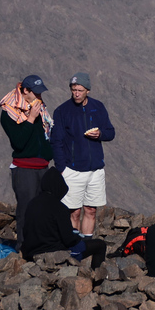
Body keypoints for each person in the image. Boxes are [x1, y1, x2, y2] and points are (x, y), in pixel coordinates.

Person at [51, 72, 115, 238]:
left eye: (79, 90)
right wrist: (62, 169)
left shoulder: (98, 107)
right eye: (73, 90)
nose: (76, 93)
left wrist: (100, 134)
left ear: (88, 90)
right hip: (73, 170)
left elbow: (110, 132)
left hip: (95, 170)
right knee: (74, 212)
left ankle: (86, 245)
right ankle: (74, 246)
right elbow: (56, 141)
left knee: (91, 210)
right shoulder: (62, 111)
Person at [0, 74, 54, 250]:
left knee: (43, 208)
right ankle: (23, 246)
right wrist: (30, 119)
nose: (39, 97)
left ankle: (41, 242)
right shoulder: (9, 113)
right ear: (25, 91)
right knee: (26, 208)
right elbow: (18, 141)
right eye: (35, 93)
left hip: (43, 167)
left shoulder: (40, 108)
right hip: (25, 169)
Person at [22, 167, 107, 269]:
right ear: (59, 187)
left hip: (32, 252)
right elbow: (69, 240)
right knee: (100, 245)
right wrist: (78, 237)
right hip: (55, 254)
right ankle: (96, 278)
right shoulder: (59, 208)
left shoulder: (32, 204)